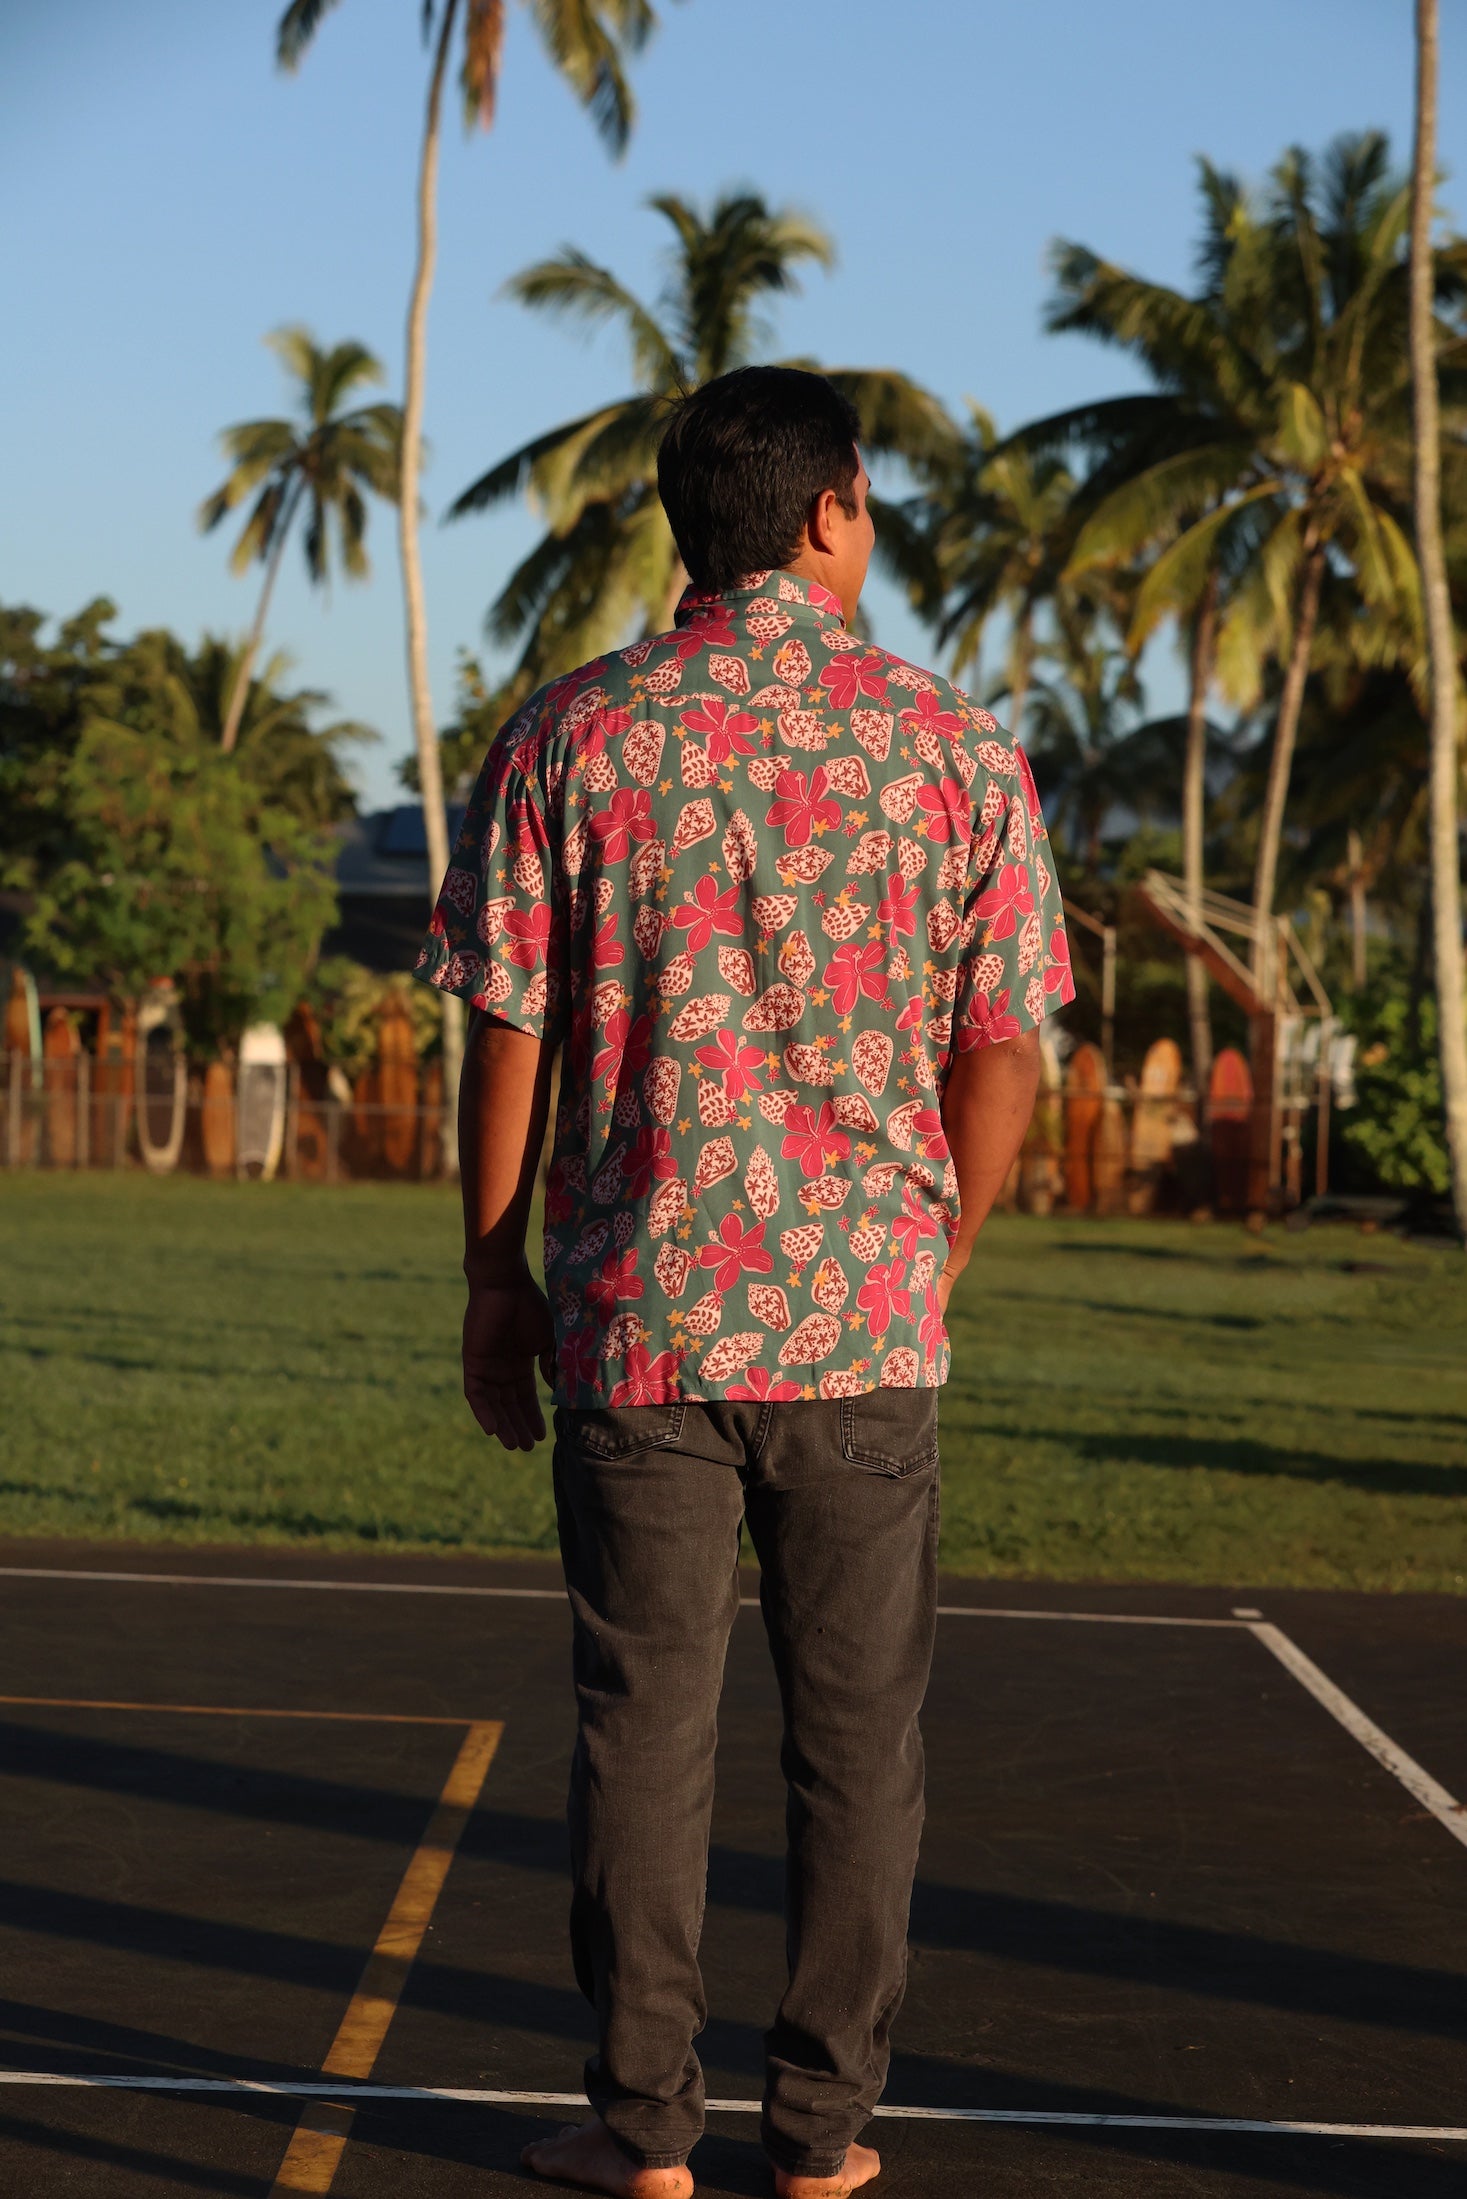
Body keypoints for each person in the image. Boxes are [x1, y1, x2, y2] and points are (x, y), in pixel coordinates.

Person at [415, 365, 1072, 2199]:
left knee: (644, 1733)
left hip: (638, 1321)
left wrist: (493, 1275)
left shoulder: (574, 736)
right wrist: (934, 1247)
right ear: (834, 513)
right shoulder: (954, 747)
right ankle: (824, 2133)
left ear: (685, 525)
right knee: (860, 1748)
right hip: (863, 1330)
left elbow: (507, 1027)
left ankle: (642, 2130)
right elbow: (1007, 1048)